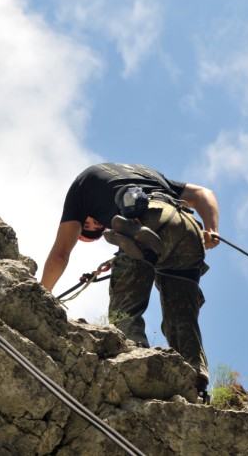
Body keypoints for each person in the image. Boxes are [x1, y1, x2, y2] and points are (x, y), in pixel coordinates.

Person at [40, 163, 220, 400]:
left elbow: (61, 253)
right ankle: (195, 382)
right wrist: (212, 229)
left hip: (148, 217)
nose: (92, 225)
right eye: (91, 229)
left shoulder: (80, 185)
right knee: (181, 313)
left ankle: (135, 355)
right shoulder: (146, 174)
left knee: (124, 307)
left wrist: (41, 294)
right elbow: (202, 194)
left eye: (88, 225)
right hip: (185, 227)